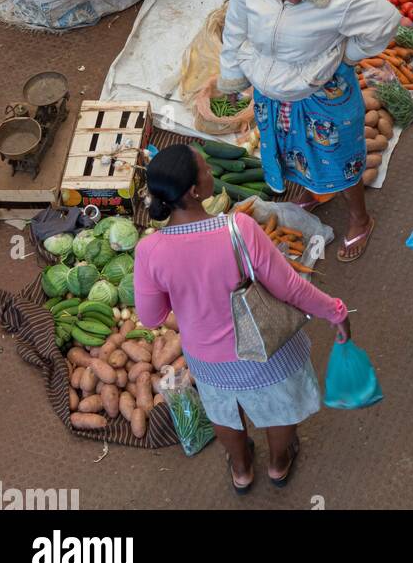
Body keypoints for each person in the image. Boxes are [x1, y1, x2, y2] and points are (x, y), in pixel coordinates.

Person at [134, 144, 349, 494]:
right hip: (265, 349)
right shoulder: (239, 230)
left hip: (207, 360)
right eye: (205, 169)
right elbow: (290, 288)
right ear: (193, 190)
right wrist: (335, 311)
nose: (210, 174)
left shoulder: (148, 251)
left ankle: (242, 470)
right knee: (280, 408)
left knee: (224, 412)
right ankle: (279, 465)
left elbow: (151, 315)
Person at [214, 0, 399, 262]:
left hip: (321, 93)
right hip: (274, 94)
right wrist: (231, 80)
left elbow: (385, 22)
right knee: (293, 152)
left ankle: (360, 218)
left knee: (340, 158)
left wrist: (348, 55)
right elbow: (235, 30)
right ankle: (316, 191)